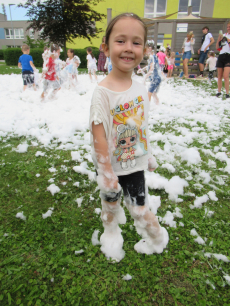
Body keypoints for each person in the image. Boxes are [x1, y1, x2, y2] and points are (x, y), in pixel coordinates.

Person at [89, 13, 169, 262]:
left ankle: (157, 239)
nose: (128, 48)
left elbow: (141, 128)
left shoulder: (140, 89)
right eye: (120, 41)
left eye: (136, 42)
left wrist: (149, 155)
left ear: (144, 50)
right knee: (110, 206)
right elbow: (98, 134)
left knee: (140, 207)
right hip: (111, 168)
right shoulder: (102, 92)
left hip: (134, 164)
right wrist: (106, 173)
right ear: (106, 47)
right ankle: (111, 233)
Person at [215, 23, 230, 98]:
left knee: (226, 76)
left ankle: (227, 93)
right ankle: (219, 91)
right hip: (221, 55)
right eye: (227, 27)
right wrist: (219, 38)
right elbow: (218, 47)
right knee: (220, 75)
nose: (228, 28)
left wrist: (228, 40)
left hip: (228, 56)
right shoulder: (224, 35)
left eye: (229, 27)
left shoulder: (227, 37)